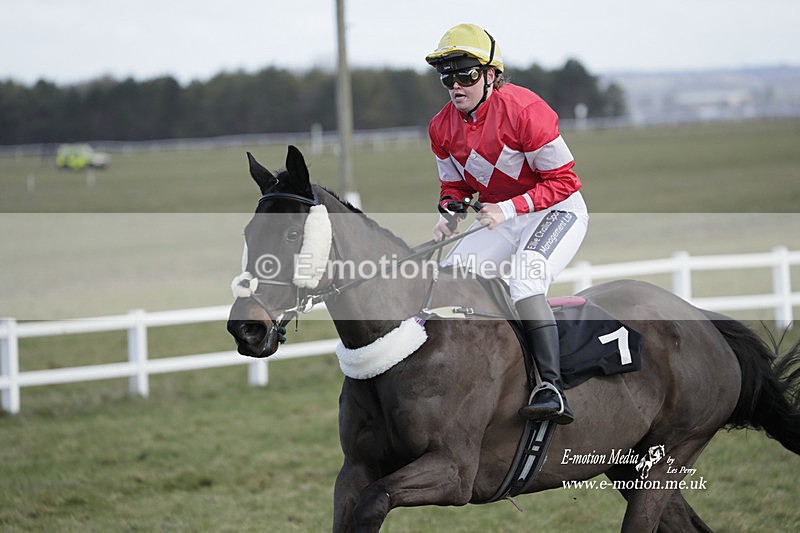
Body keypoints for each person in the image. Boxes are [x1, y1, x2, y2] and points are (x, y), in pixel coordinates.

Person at [426, 23, 589, 424]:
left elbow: (565, 181)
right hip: (502, 216)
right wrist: (451, 212)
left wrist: (509, 209)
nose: (456, 85)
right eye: (448, 76)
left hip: (557, 210)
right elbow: (455, 184)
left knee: (525, 281)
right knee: (450, 278)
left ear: (490, 75)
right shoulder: (440, 127)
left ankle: (550, 387)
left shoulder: (525, 110)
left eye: (466, 74)